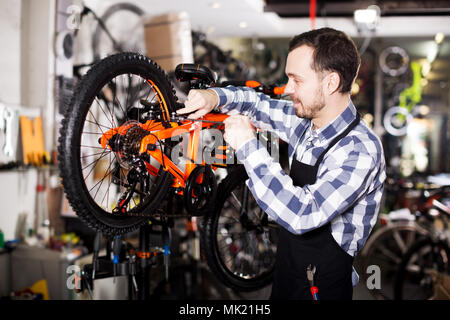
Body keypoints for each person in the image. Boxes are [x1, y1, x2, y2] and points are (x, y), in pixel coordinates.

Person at [176, 27, 386, 300]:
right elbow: (256, 104)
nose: (287, 89)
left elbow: (302, 214)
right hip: (287, 277)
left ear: (330, 83)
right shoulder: (306, 122)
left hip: (323, 290)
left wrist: (248, 146)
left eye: (296, 80)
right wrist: (214, 97)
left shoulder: (360, 149)